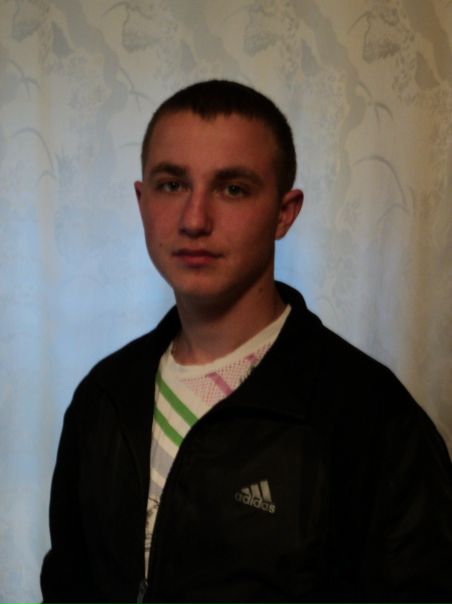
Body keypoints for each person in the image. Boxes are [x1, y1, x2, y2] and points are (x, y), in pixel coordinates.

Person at [41, 80, 452, 603]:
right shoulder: (104, 397)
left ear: (284, 212)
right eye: (172, 184)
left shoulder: (372, 417)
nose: (194, 220)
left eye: (232, 188)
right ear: (142, 202)